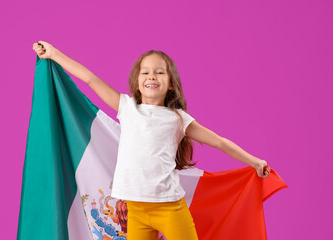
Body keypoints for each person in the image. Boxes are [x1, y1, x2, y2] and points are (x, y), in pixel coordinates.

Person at [32, 40, 271, 240]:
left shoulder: (178, 119)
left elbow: (218, 141)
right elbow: (90, 79)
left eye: (159, 72)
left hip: (170, 208)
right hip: (135, 210)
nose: (151, 76)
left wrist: (254, 161)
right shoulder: (126, 107)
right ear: (137, 81)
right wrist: (54, 54)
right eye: (145, 72)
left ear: (170, 84)